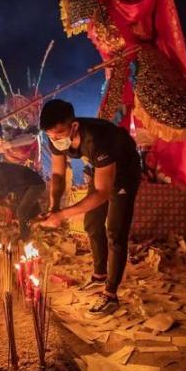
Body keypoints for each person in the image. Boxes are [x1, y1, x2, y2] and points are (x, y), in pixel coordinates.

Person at [36, 99, 141, 317]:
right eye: (51, 136)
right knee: (92, 224)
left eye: (59, 133)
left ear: (74, 126)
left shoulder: (99, 139)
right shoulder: (55, 138)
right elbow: (57, 173)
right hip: (101, 170)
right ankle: (99, 275)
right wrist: (54, 206)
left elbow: (103, 193)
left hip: (124, 172)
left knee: (115, 231)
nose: (56, 139)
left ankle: (111, 295)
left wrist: (63, 215)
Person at [0, 158, 46, 241]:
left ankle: (25, 237)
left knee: (21, 211)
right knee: (32, 209)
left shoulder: (1, 171)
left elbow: (6, 188)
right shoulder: (2, 169)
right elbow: (6, 187)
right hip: (28, 186)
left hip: (34, 186)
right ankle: (41, 228)